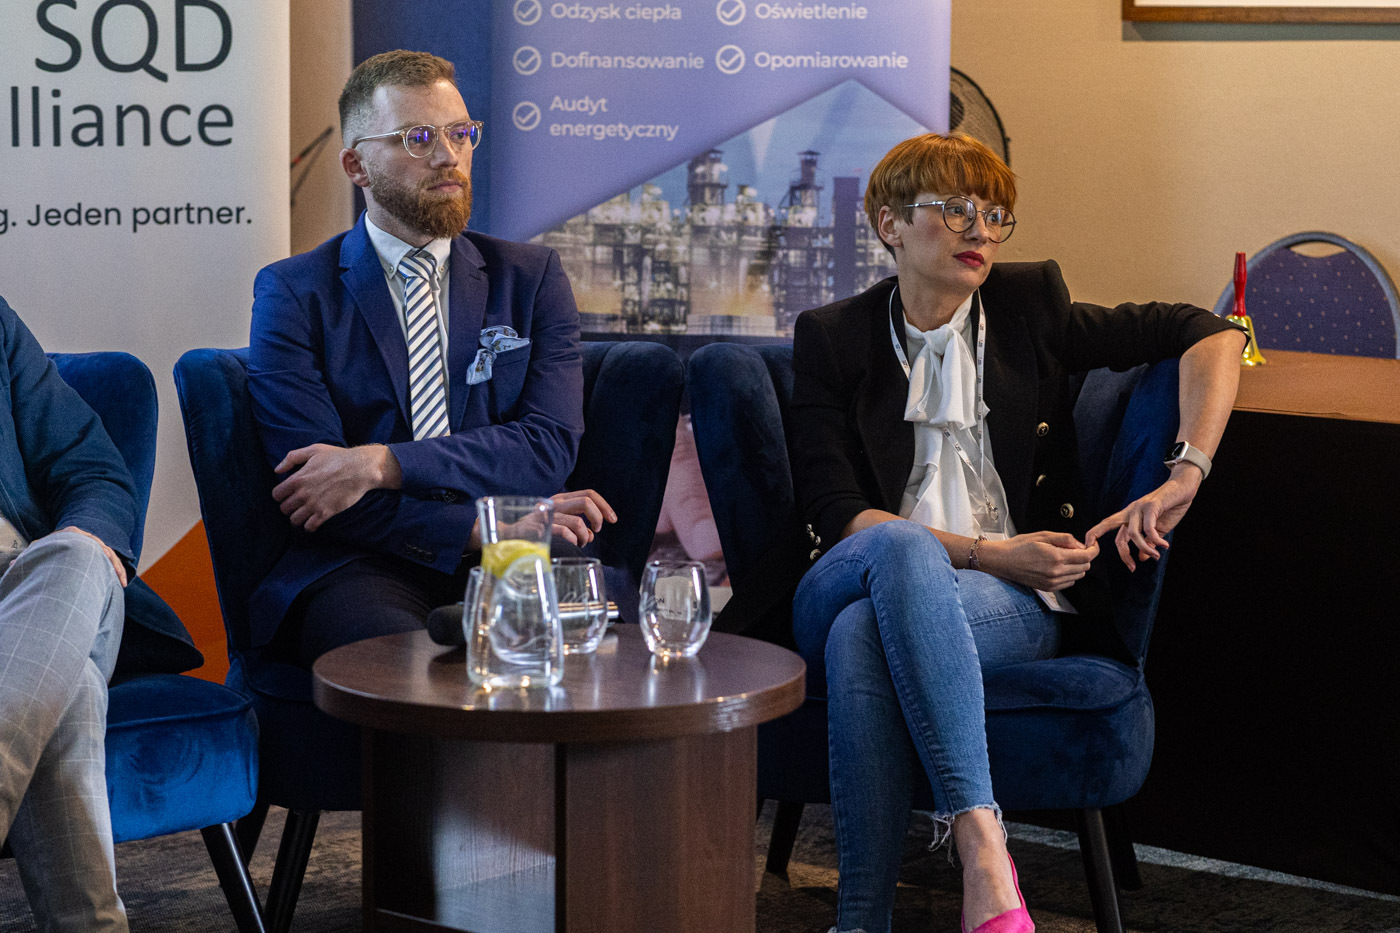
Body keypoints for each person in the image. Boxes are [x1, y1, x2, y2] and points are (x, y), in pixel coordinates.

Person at [786, 134, 1246, 933]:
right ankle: (983, 841)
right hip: (853, 573)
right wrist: (998, 554)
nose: (982, 230)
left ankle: (860, 922)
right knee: (896, 551)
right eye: (955, 209)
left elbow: (1210, 331)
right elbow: (841, 514)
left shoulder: (1029, 307)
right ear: (890, 223)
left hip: (1006, 604)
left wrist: (1186, 472)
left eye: (995, 214)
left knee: (866, 637)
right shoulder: (834, 336)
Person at [247, 49, 613, 665]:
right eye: (417, 138)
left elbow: (547, 446)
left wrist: (382, 462)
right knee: (399, 669)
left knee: (573, 662)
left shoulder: (531, 278)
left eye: (460, 133)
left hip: (521, 547)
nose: (448, 156)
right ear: (356, 165)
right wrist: (479, 529)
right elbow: (316, 489)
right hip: (365, 562)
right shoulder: (293, 292)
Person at [0, 296, 137, 932]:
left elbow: (93, 467)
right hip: (49, 645)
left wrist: (87, 532)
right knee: (69, 683)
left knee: (78, 557)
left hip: (42, 579)